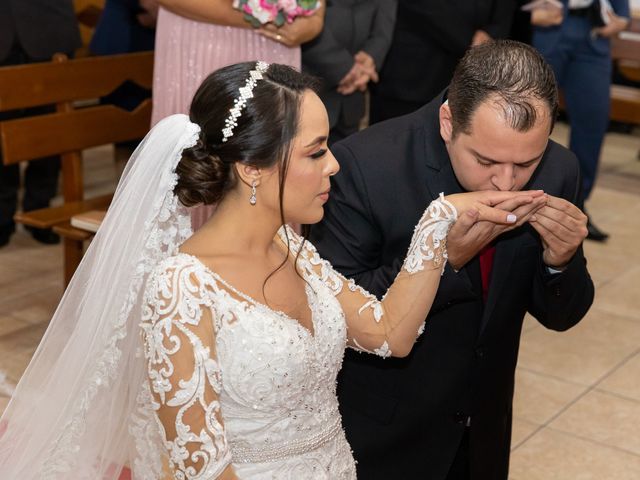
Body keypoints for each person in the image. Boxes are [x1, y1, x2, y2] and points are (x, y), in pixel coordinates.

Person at [0, 61, 538, 479]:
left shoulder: (292, 248)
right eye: (315, 152)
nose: (334, 165)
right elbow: (202, 468)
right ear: (251, 168)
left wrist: (436, 224)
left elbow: (388, 333)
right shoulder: (182, 287)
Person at [309, 40, 595, 479]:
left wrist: (561, 260)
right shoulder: (364, 167)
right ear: (448, 122)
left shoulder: (559, 170)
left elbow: (561, 315)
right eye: (485, 160)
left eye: (526, 163)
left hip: (481, 431)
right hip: (382, 434)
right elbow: (333, 318)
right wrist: (443, 263)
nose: (506, 181)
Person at [531, 0, 631, 241]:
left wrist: (623, 16)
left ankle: (576, 205)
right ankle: (523, 199)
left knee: (593, 121)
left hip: (593, 35)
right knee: (531, 116)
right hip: (550, 29)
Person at [0, 0, 82, 247]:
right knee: (2, 138)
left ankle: (40, 209)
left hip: (49, 29)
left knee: (50, 134)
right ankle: (2, 216)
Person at [368, 0, 517, 124]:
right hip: (413, 77)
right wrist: (474, 43)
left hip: (469, 78)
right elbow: (428, 9)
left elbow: (504, 8)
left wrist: (493, 33)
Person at [301, 0, 397, 145]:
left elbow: (385, 13)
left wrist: (372, 55)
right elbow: (299, 19)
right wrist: (345, 68)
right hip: (312, 78)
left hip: (354, 92)